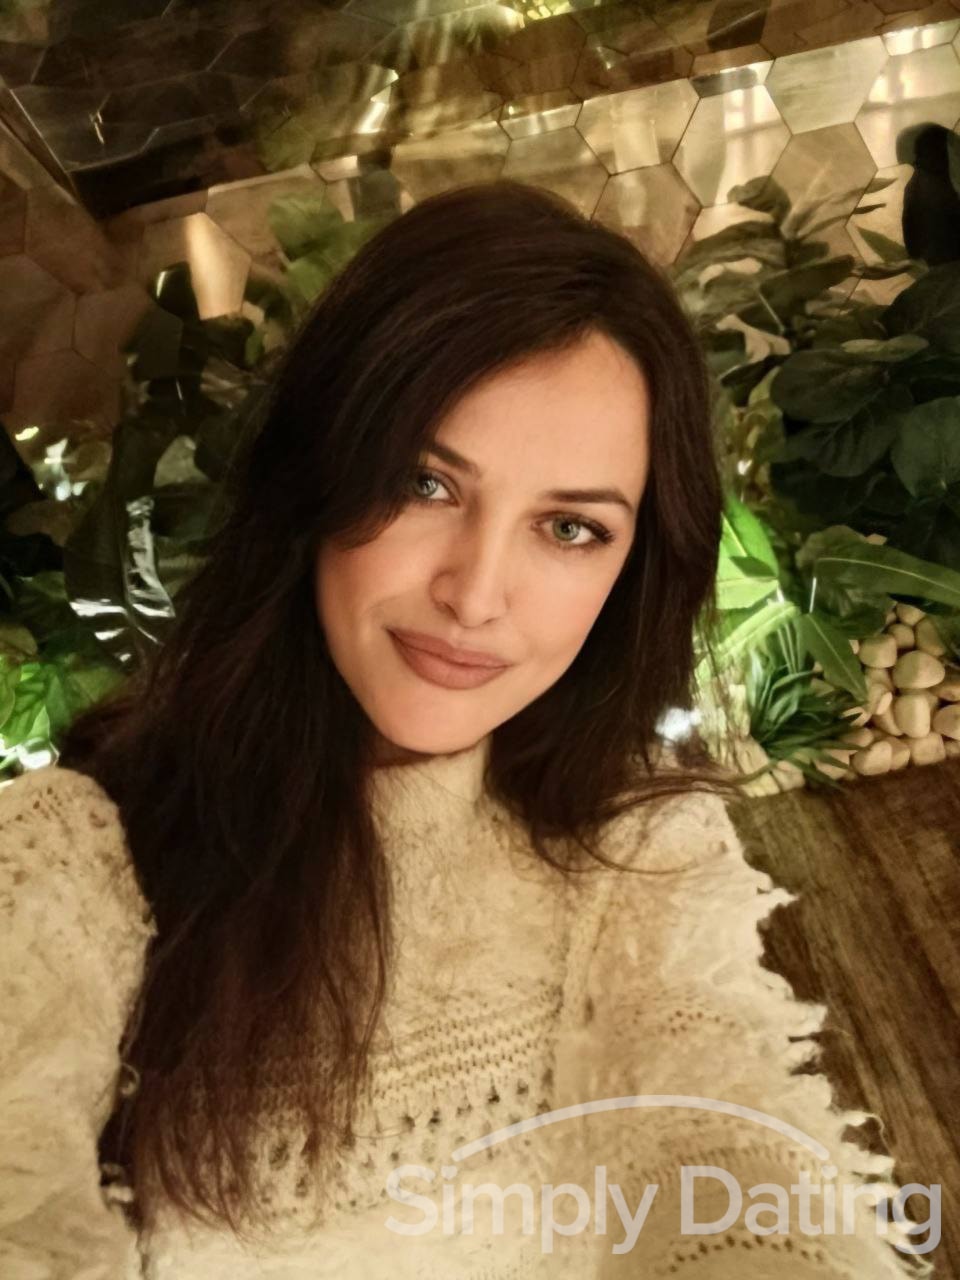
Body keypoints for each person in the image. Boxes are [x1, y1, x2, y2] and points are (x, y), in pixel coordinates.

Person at [0, 180, 936, 1279]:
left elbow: (718, 1121)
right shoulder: (78, 856)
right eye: (425, 482)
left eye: (570, 527)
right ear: (318, 471)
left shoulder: (637, 840)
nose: (476, 594)